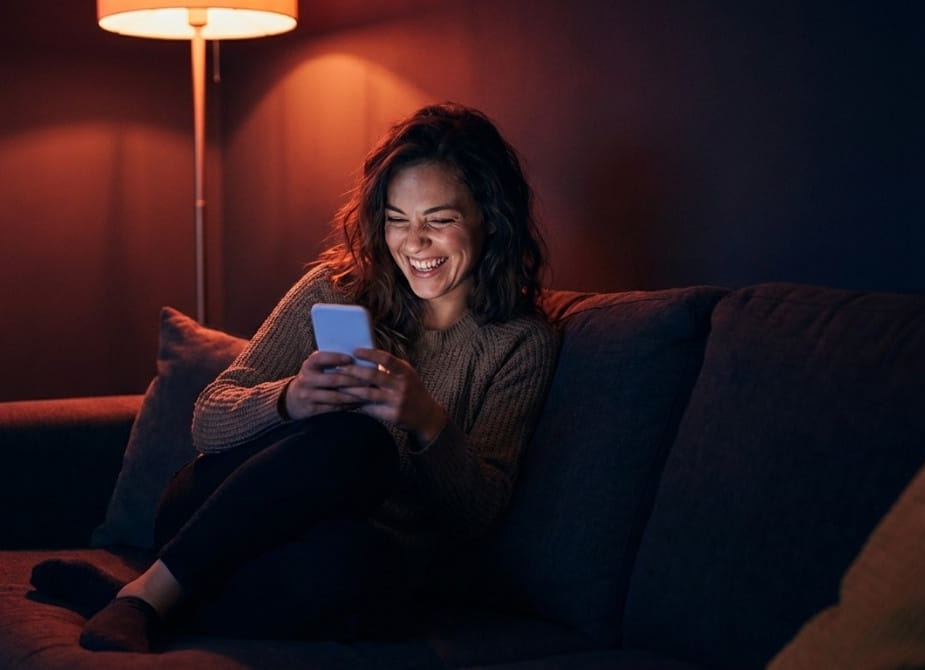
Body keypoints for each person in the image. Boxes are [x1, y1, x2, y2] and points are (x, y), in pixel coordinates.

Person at [30, 102, 559, 652]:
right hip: (210, 514)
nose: (414, 243)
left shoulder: (520, 343)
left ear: (489, 218)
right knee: (356, 440)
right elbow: (208, 419)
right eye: (397, 220)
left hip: (343, 552)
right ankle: (148, 596)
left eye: (440, 220)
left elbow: (478, 516)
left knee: (354, 568)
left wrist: (426, 421)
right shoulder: (332, 288)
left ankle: (138, 600)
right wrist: (289, 400)